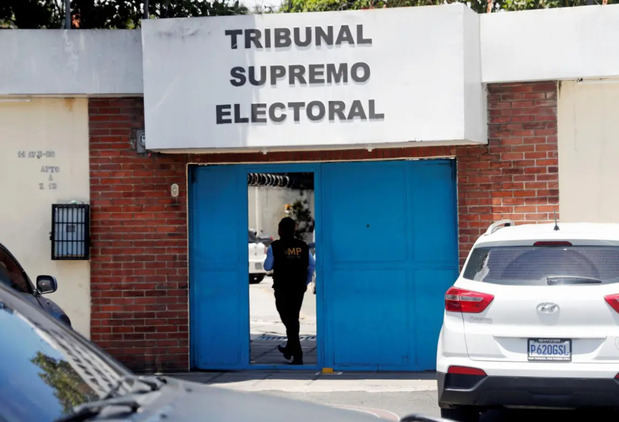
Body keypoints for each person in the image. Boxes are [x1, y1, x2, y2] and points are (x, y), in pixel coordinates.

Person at [263, 217, 315, 365]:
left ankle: (297, 353)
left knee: (288, 319)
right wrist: (306, 282)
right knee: (293, 319)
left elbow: (267, 267)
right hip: (298, 288)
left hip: (282, 288)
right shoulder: (303, 246)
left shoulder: (275, 247)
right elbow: (312, 266)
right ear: (294, 230)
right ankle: (290, 348)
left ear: (280, 230)